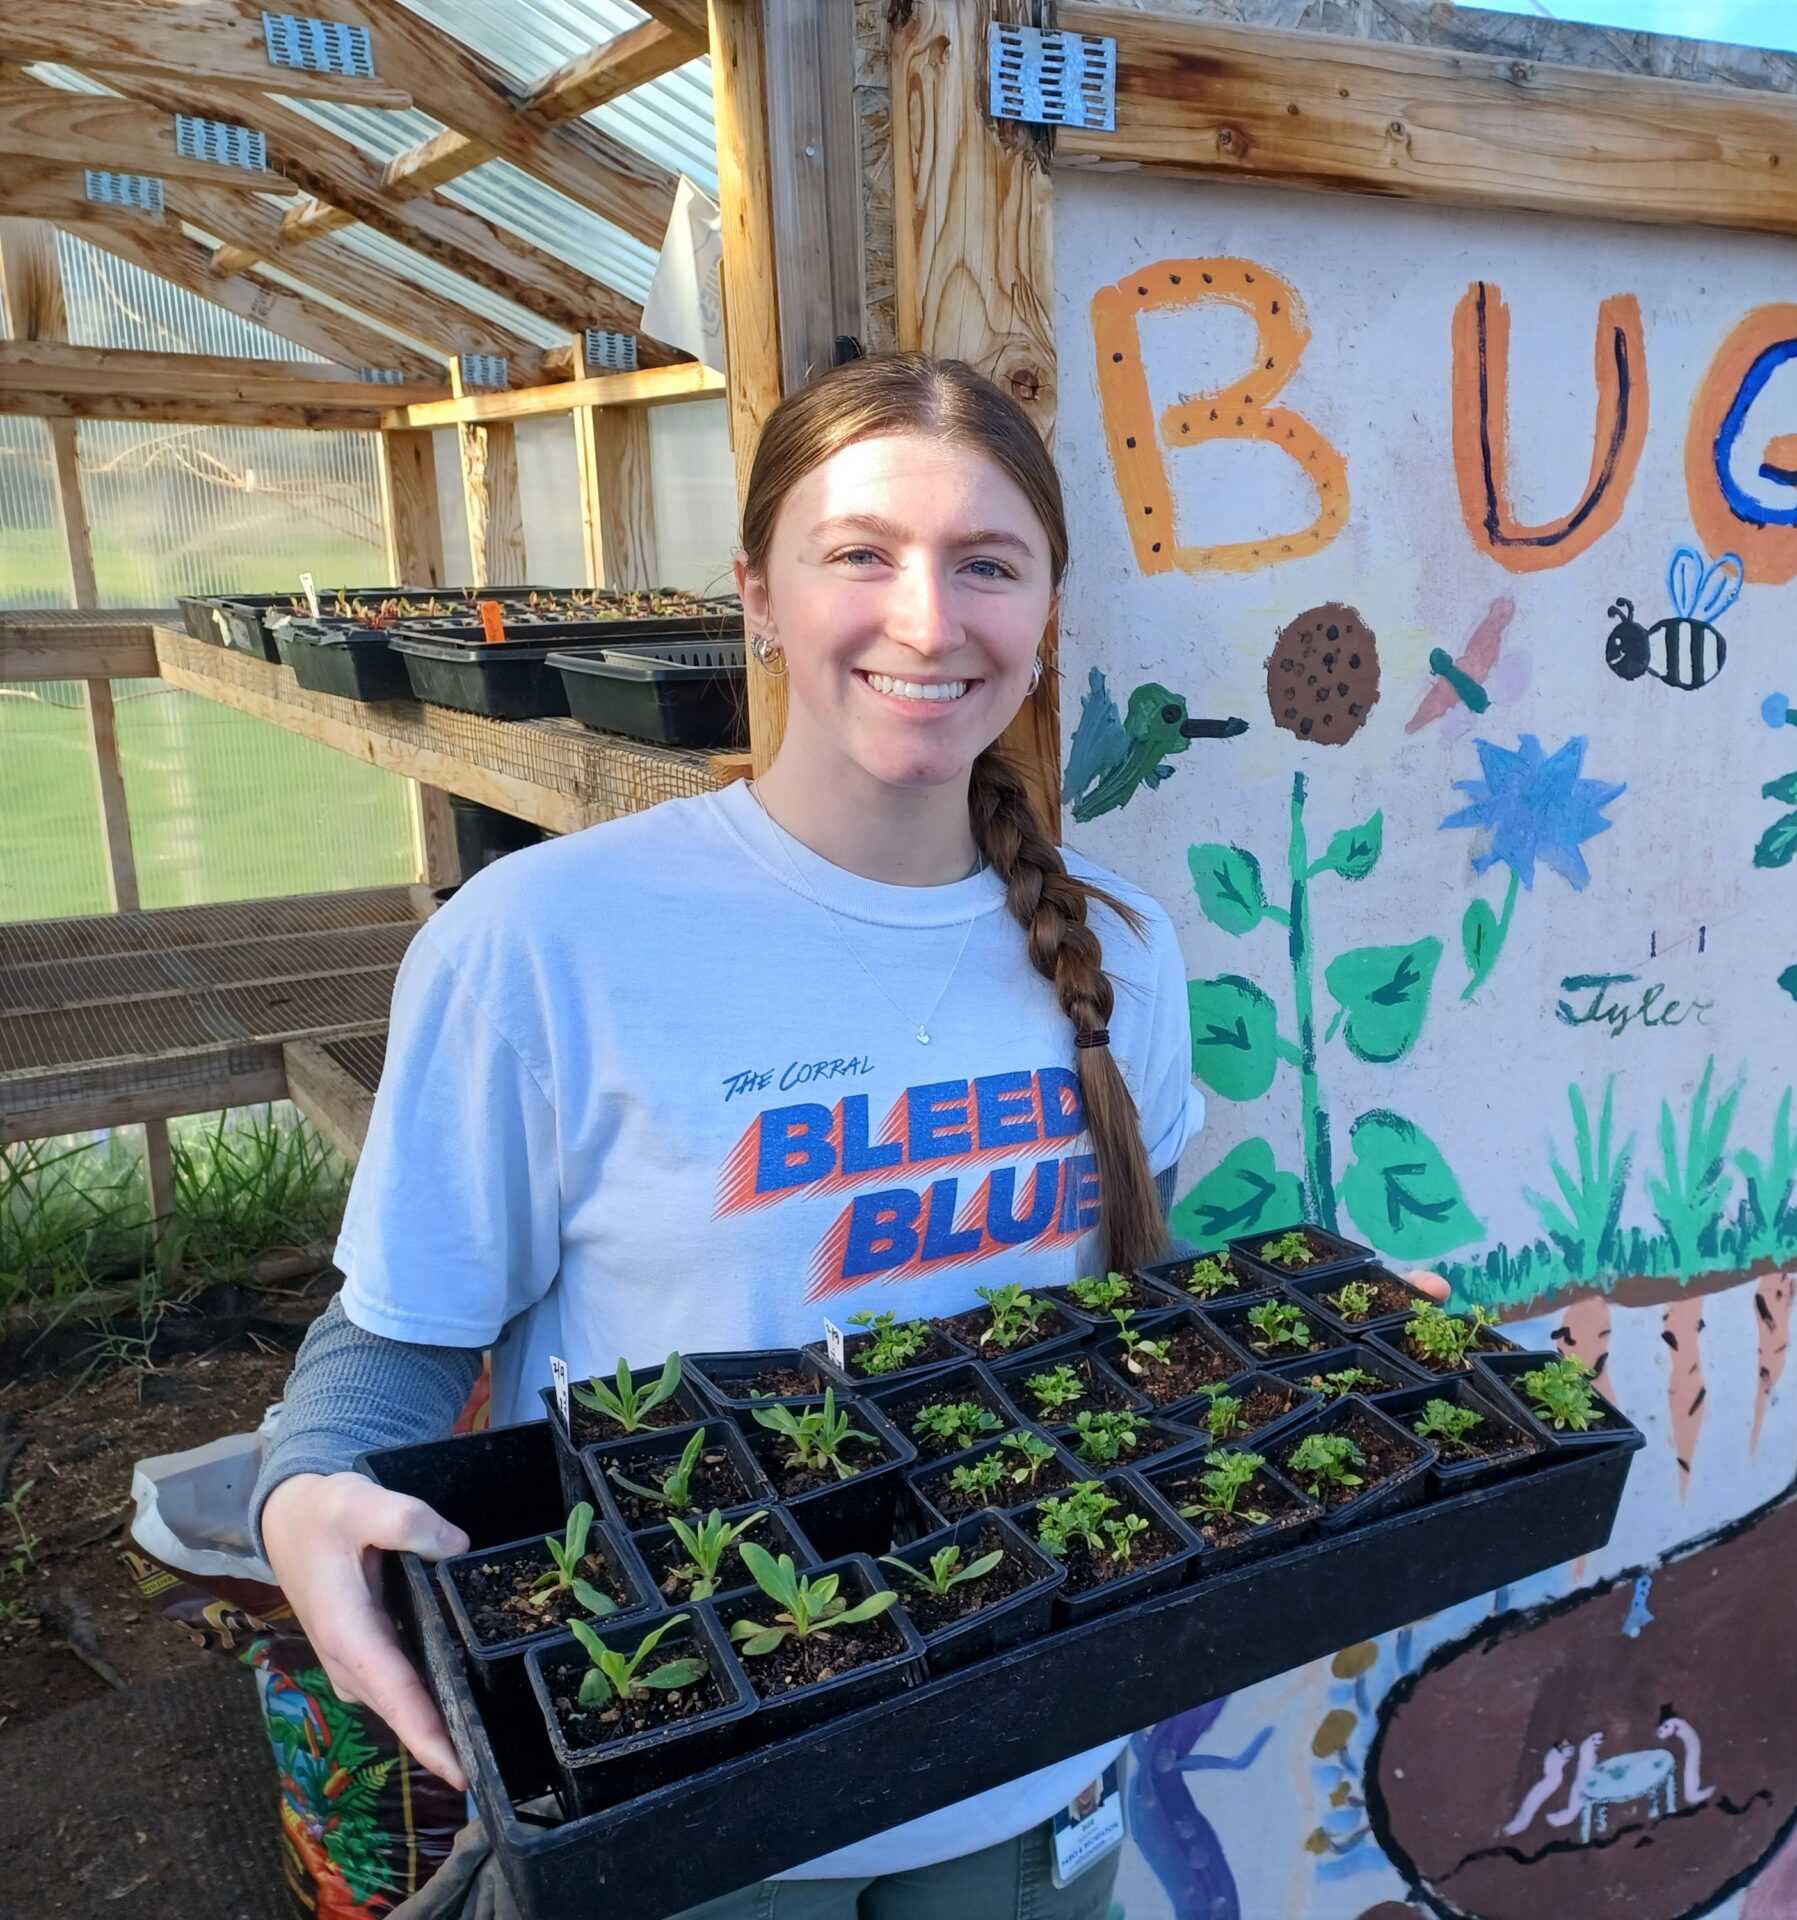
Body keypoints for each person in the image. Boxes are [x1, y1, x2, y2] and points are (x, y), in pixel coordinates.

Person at [253, 354, 1203, 1918]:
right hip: (684, 1786)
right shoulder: (550, 941)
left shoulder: (1129, 951)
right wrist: (309, 1481)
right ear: (757, 597)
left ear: (1044, 616)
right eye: (861, 555)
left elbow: (1135, 1314)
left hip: (1031, 1764)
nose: (926, 618)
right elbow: (400, 1337)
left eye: (986, 564)